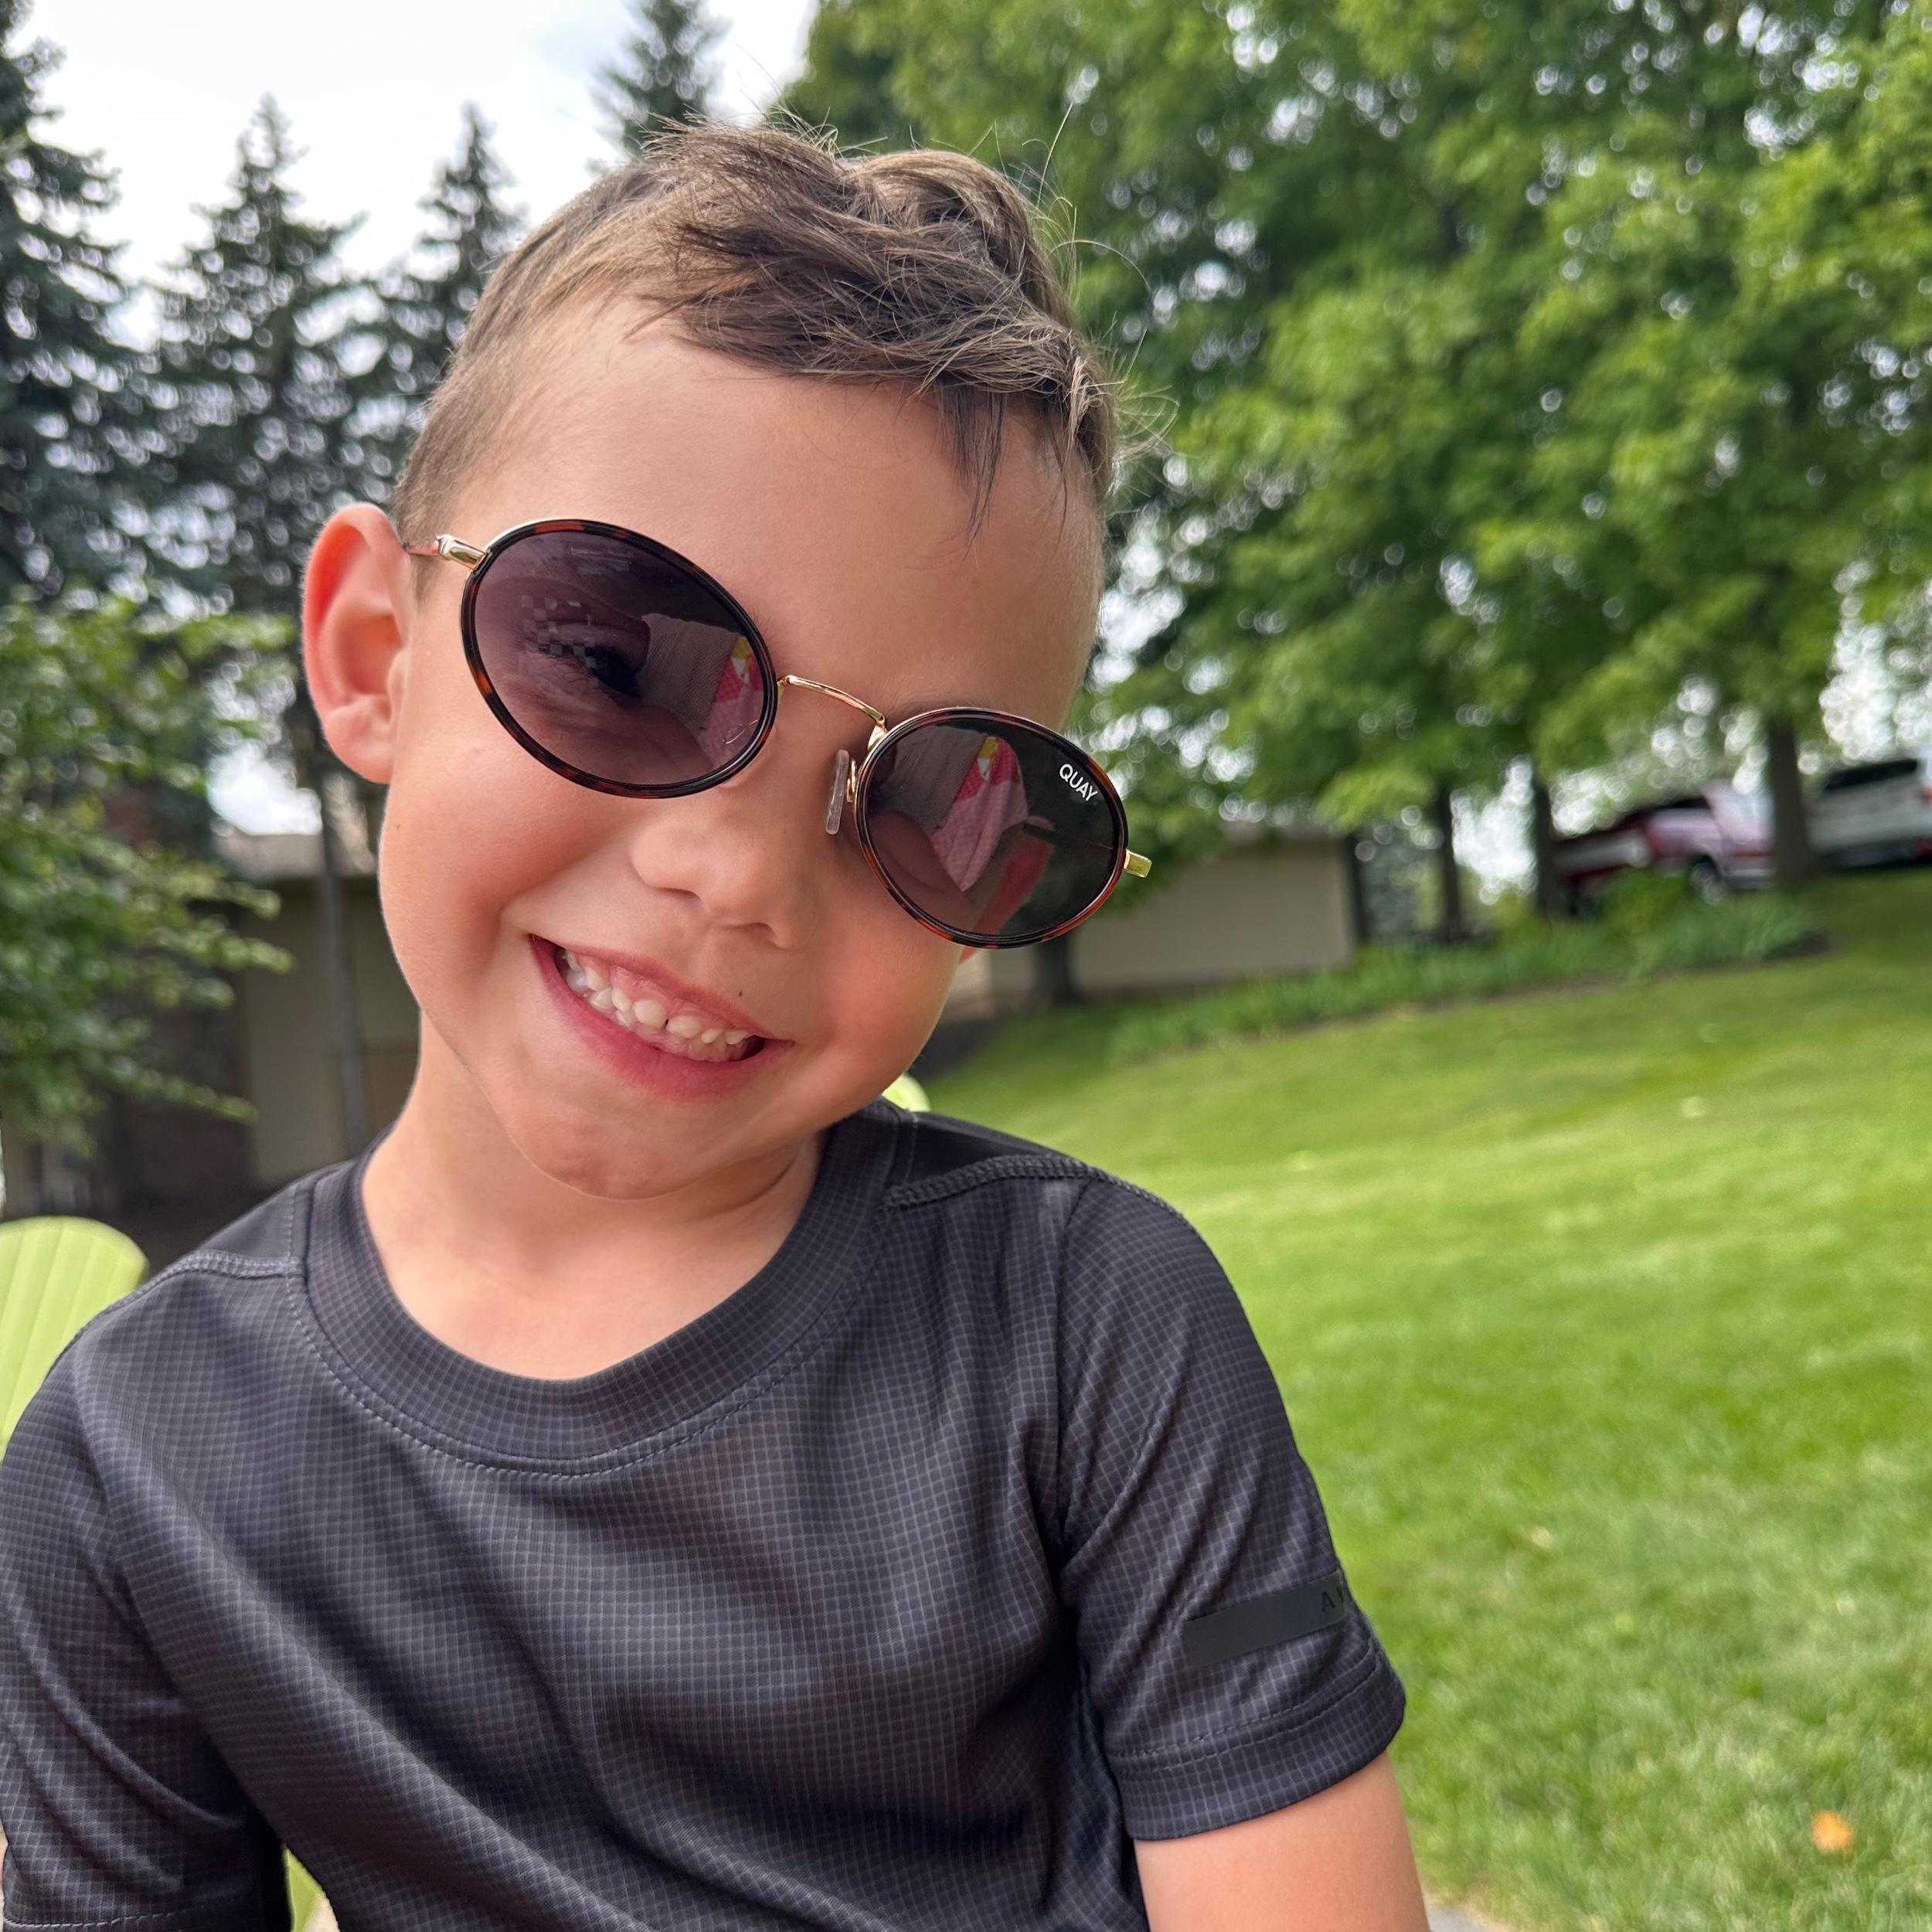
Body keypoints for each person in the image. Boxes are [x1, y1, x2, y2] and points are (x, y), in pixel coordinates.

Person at [0, 117, 1429, 1931]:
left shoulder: (1087, 1324)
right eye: (615, 660)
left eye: (937, 792)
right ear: (372, 652)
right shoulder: (134, 1463)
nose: (740, 878)